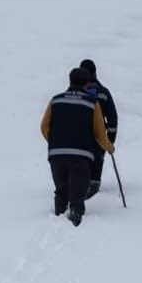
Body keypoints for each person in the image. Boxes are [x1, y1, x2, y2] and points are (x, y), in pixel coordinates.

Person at [40, 67, 114, 225]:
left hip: (57, 154)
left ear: (70, 80)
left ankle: (59, 215)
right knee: (77, 193)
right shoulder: (92, 103)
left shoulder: (55, 100)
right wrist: (109, 147)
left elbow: (44, 127)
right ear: (87, 84)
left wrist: (55, 141)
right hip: (81, 155)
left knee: (61, 189)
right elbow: (99, 134)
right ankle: (75, 216)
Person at [79, 59, 118, 198]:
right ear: (95, 73)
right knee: (95, 171)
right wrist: (109, 141)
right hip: (99, 139)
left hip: (79, 138)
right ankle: (93, 189)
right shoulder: (103, 92)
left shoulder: (75, 94)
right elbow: (112, 119)